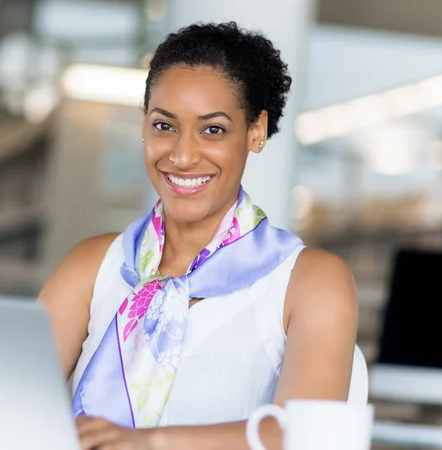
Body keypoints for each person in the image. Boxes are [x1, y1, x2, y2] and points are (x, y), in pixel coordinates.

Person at [39, 22, 358, 450]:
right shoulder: (95, 265)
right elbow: (5, 404)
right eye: (164, 126)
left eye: (213, 130)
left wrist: (148, 443)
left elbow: (308, 436)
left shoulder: (309, 281)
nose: (183, 156)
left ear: (256, 131)